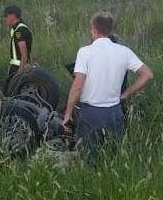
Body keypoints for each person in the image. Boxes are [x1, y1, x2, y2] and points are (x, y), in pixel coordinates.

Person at [62, 11, 154, 166]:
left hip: (90, 113)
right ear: (110, 30)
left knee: (89, 158)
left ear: (94, 30)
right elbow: (147, 75)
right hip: (114, 112)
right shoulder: (124, 52)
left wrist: (68, 113)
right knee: (113, 157)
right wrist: (125, 95)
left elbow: (77, 86)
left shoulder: (85, 52)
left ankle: (91, 185)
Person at [3, 5, 33, 88]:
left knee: (10, 93)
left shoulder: (19, 31)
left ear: (12, 15)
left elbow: (24, 54)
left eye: (6, 16)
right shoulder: (16, 29)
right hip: (18, 66)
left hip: (18, 66)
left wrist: (20, 72)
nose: (4, 19)